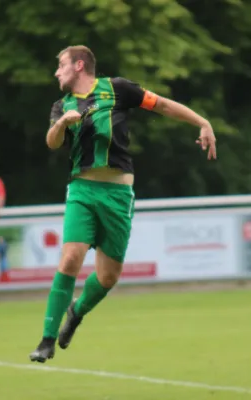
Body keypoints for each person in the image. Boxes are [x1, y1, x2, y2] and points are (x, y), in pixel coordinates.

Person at [29, 45, 217, 363]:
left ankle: (75, 313)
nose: (55, 71)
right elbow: (52, 141)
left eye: (60, 65)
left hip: (118, 196)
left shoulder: (117, 89)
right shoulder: (61, 105)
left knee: (108, 277)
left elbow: (163, 105)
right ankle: (46, 339)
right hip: (82, 191)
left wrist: (203, 122)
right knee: (71, 257)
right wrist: (62, 124)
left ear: (78, 65)